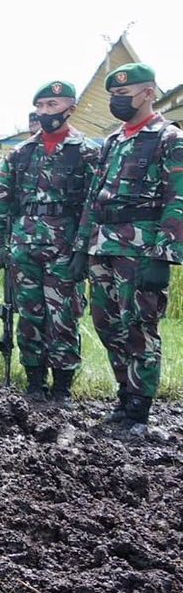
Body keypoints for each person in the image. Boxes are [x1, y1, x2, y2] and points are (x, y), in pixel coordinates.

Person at [71, 63, 183, 434]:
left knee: (139, 327)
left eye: (123, 94)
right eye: (113, 96)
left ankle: (139, 409)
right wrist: (81, 248)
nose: (116, 101)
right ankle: (124, 395)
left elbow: (177, 200)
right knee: (106, 324)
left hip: (141, 249)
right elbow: (94, 197)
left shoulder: (169, 138)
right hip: (103, 244)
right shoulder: (112, 141)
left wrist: (164, 256)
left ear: (148, 93)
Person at [0, 81, 97, 403]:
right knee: (29, 315)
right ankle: (34, 382)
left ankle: (62, 387)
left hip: (65, 247)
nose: (45, 112)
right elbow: (2, 200)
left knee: (63, 316)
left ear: (70, 109)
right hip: (24, 246)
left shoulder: (87, 151)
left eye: (52, 105)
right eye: (40, 106)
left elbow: (93, 206)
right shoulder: (21, 153)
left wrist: (83, 250)